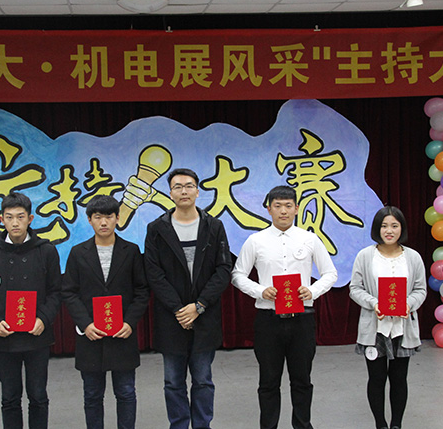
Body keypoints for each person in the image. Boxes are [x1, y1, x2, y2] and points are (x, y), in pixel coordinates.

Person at [231, 185, 337, 429]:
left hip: (302, 319)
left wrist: (312, 291)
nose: (283, 211)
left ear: (297, 209)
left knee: (302, 380)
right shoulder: (256, 241)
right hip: (268, 320)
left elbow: (330, 273)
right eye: (277, 206)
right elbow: (237, 275)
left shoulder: (309, 239)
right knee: (268, 381)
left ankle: (303, 425)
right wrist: (260, 290)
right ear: (269, 209)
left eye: (288, 206)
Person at [144, 168, 231, 429]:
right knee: (173, 381)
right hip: (172, 318)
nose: (184, 191)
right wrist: (179, 309)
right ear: (170, 193)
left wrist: (199, 305)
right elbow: (154, 273)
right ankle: (179, 425)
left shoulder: (213, 226)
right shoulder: (156, 229)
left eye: (189, 186)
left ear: (197, 191)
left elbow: (223, 270)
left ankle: (202, 425)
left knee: (203, 380)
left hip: (205, 315)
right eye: (178, 187)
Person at [0, 192, 62, 429]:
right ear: (1, 219)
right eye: (9, 217)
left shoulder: (46, 251)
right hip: (5, 337)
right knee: (10, 397)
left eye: (20, 217)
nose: (15, 223)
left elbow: (56, 292)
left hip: (37, 335)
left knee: (38, 395)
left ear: (30, 219)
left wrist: (43, 318)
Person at [62, 195, 149, 428]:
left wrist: (130, 323)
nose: (103, 222)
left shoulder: (131, 251)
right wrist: (85, 324)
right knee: (92, 395)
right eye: (98, 217)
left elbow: (142, 291)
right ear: (89, 220)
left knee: (126, 392)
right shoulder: (78, 253)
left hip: (122, 334)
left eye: (109, 216)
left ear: (118, 218)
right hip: (91, 335)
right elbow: (69, 292)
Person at [349, 206, 427, 429]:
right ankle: (380, 424)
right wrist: (374, 303)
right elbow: (355, 288)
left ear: (402, 228)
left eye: (394, 225)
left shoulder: (413, 257)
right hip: (374, 329)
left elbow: (420, 289)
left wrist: (408, 304)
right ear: (377, 229)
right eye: (384, 226)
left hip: (403, 328)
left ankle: (396, 424)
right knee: (376, 378)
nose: (389, 231)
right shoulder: (365, 256)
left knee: (399, 379)